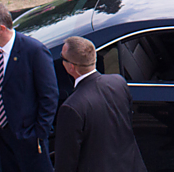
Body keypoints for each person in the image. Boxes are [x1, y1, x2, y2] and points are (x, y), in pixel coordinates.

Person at [0, 2, 57, 172]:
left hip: (27, 135)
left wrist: (38, 134)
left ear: (2, 29)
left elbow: (49, 96)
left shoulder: (34, 51)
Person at [54, 36, 147, 172]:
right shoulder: (118, 82)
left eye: (62, 58)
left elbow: (66, 161)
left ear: (71, 67)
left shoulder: (72, 107)